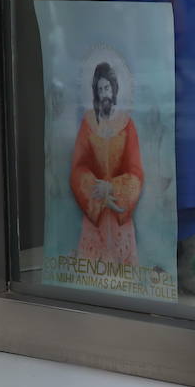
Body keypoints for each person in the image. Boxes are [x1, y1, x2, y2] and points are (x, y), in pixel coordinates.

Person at [71, 61, 144, 265]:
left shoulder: (127, 126)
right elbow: (78, 168)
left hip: (120, 217)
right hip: (95, 216)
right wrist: (97, 188)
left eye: (107, 88)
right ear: (95, 92)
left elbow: (136, 171)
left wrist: (112, 187)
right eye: (100, 89)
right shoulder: (88, 124)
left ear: (114, 89)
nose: (104, 93)